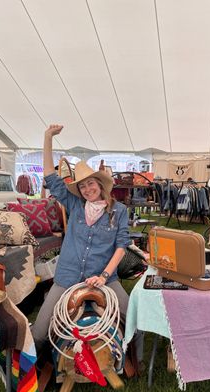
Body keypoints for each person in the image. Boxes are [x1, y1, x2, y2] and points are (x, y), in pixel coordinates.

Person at [32, 124, 143, 363]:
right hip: (68, 276)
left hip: (103, 278)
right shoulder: (74, 204)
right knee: (39, 332)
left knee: (134, 318)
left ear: (100, 184)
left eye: (90, 183)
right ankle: (34, 369)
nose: (87, 189)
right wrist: (47, 137)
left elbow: (121, 246)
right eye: (82, 186)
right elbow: (50, 176)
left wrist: (103, 276)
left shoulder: (119, 211)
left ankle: (136, 362)